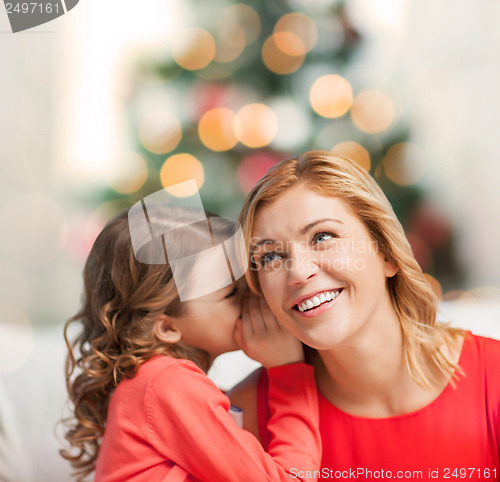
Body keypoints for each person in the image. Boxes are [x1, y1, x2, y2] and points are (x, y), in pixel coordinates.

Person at [230, 150, 500, 480]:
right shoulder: (245, 414)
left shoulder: (493, 380)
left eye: (322, 237)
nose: (298, 273)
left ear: (386, 252)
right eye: (271, 256)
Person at [61, 205, 321, 481]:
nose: (252, 295)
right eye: (232, 292)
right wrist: (288, 371)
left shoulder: (153, 384)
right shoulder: (167, 383)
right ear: (167, 326)